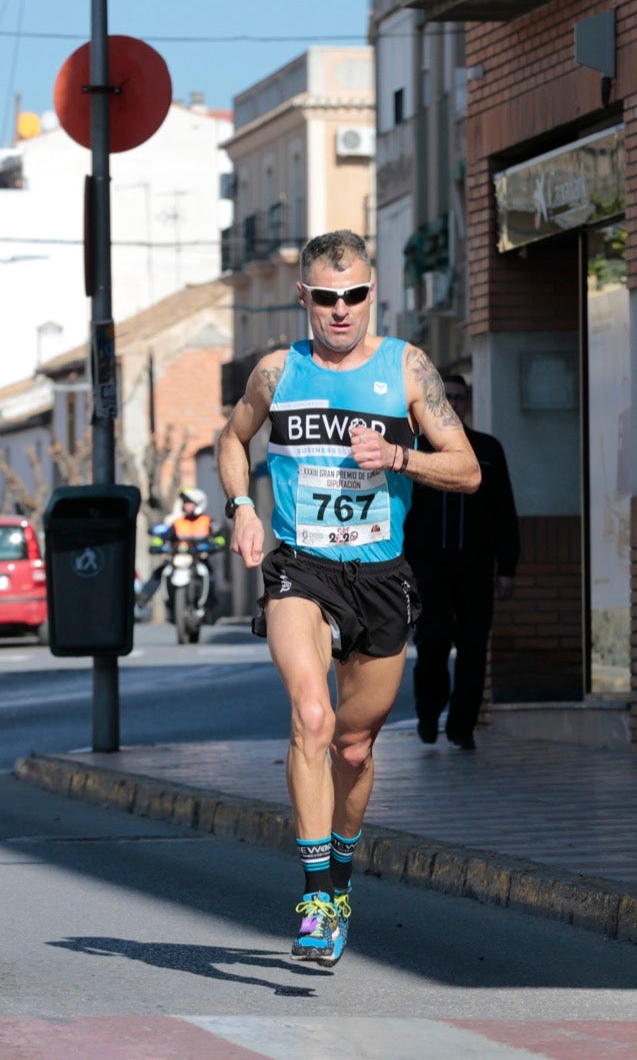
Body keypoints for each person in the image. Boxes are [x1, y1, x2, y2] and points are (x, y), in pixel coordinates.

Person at [216, 229, 480, 967]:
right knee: (311, 715)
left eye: (355, 296)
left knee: (356, 747)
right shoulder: (276, 373)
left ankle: (341, 872)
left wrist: (399, 455)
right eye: (326, 298)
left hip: (381, 575)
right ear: (304, 297)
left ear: (373, 293)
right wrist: (241, 505)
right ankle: (314, 896)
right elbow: (231, 440)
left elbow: (467, 470)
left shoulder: (407, 369)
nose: (341, 311)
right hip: (302, 566)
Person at [406, 372, 519, 750]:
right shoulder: (415, 451)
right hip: (428, 570)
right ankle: (428, 712)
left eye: (459, 396)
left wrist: (507, 568)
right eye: (446, 396)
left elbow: (505, 511)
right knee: (432, 645)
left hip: (474, 568)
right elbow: (399, 512)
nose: (453, 403)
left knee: (473, 648)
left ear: (467, 402)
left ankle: (462, 725)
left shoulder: (487, 450)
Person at [136, 486, 217, 614]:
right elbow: (164, 536)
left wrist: (215, 545)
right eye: (185, 503)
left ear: (198, 504)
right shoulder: (178, 522)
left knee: (209, 573)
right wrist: (157, 545)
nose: (186, 506)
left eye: (189, 503)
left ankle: (210, 605)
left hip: (198, 558)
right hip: (179, 557)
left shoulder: (207, 521)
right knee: (161, 570)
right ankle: (143, 597)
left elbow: (219, 537)